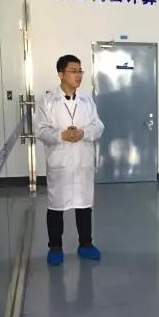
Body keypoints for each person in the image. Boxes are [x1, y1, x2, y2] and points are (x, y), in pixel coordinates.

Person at [34, 54, 104, 266]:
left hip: (83, 161)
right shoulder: (47, 101)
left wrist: (83, 133)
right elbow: (40, 130)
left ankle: (86, 243)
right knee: (56, 206)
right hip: (60, 162)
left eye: (80, 71)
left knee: (84, 205)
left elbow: (98, 126)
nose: (78, 75)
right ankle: (55, 247)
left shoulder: (87, 100)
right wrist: (60, 135)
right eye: (73, 71)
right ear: (61, 74)